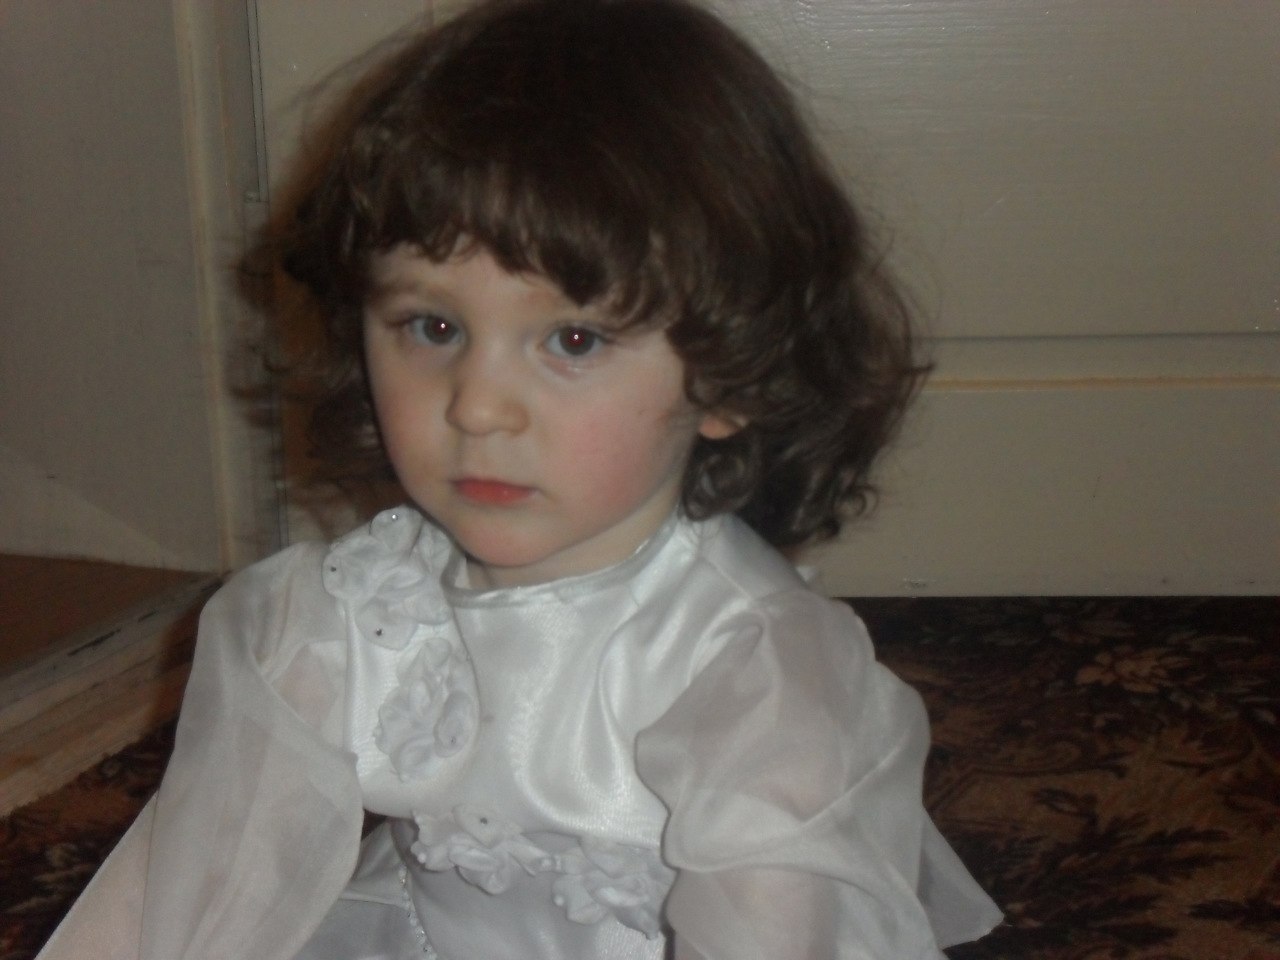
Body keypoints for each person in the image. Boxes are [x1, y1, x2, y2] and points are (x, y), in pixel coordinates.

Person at [39, 1, 1001, 958]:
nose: (478, 408)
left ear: (730, 375)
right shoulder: (347, 612)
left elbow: (777, 935)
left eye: (572, 340)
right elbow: (196, 881)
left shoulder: (751, 670)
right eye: (434, 327)